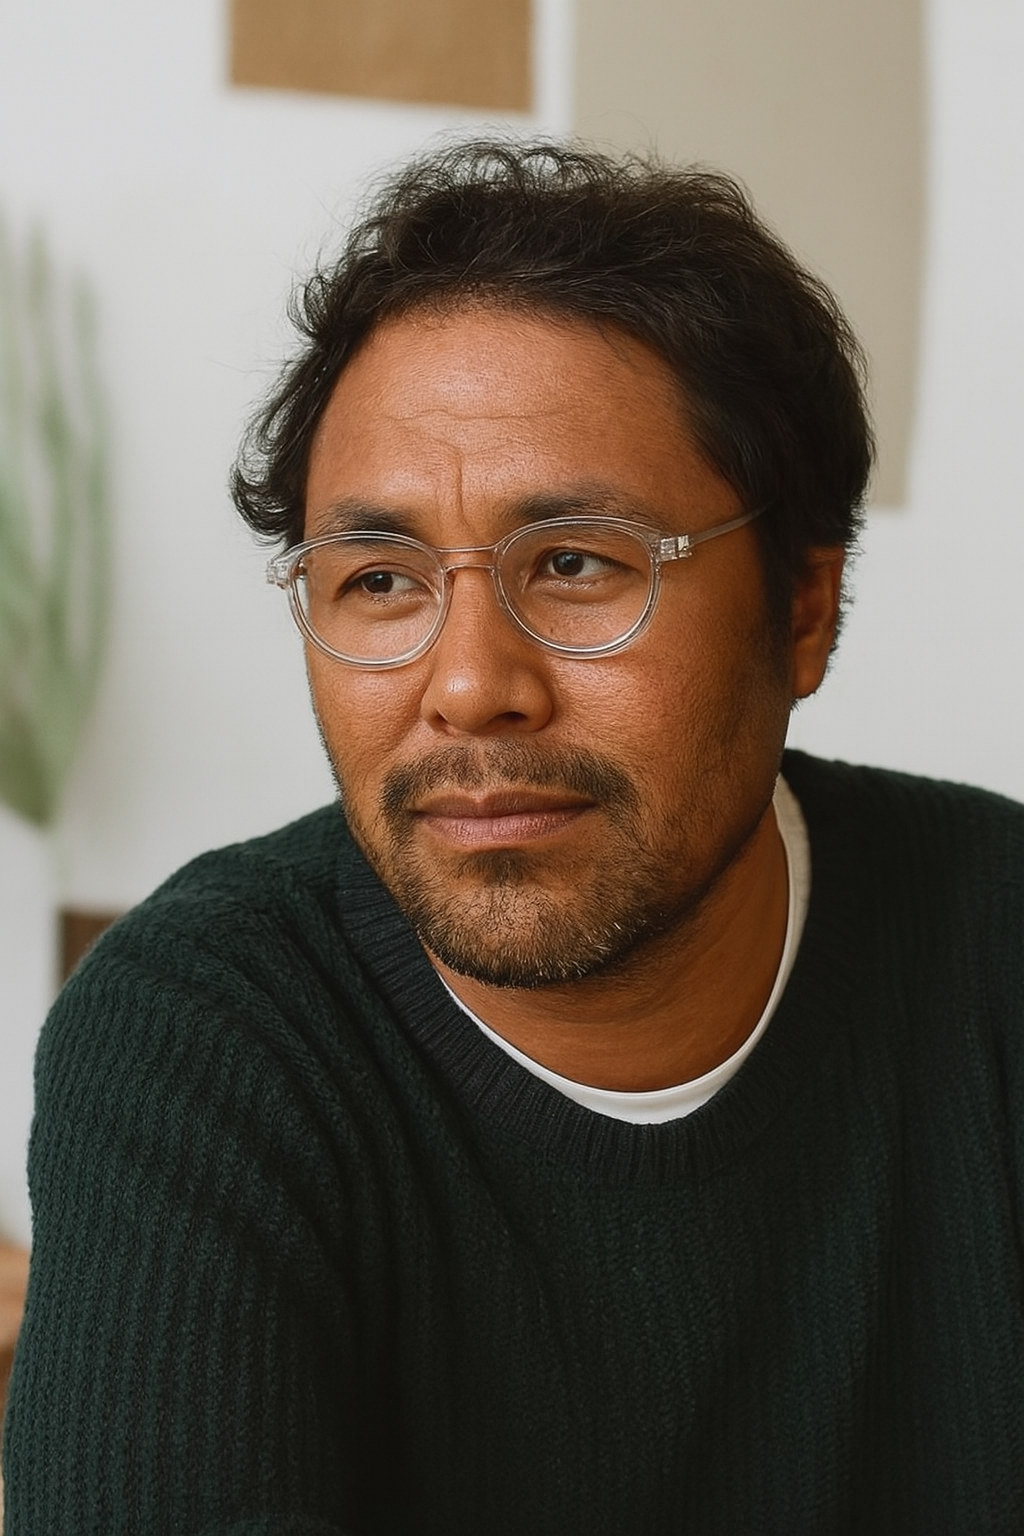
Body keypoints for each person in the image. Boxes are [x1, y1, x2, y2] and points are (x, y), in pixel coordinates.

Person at [4, 139, 1023, 1535]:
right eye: (377, 580)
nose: (470, 682)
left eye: (580, 564)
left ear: (802, 610)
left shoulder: (996, 953)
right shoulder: (207, 1036)